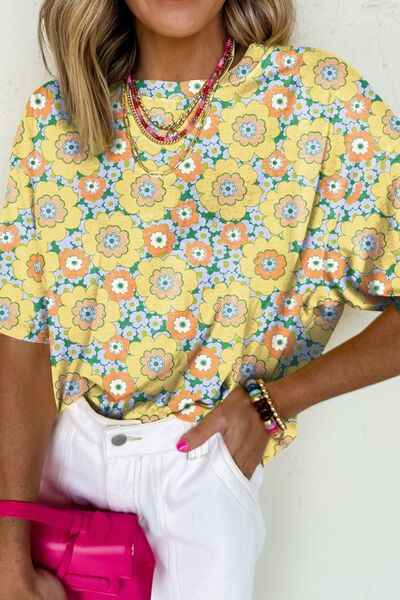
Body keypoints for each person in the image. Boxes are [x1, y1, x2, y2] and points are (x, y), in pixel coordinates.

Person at [1, 0, 400, 598]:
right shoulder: (55, 118)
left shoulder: (319, 102)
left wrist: (273, 403)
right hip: (55, 474)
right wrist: (8, 555)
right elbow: (21, 342)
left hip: (201, 470)